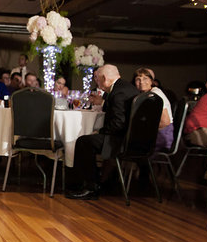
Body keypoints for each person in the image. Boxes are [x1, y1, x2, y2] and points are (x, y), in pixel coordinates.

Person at [66, 64, 139, 200]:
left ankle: (90, 188)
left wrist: (99, 131)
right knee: (87, 140)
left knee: (84, 142)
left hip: (120, 140)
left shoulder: (119, 92)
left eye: (98, 79)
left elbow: (118, 124)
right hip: (130, 138)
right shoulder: (125, 88)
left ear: (105, 78)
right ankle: (90, 182)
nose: (97, 83)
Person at [133, 68, 173, 151]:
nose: (141, 82)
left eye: (145, 78)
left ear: (152, 81)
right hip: (155, 134)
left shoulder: (155, 94)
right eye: (138, 79)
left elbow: (165, 122)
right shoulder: (144, 95)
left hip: (162, 135)